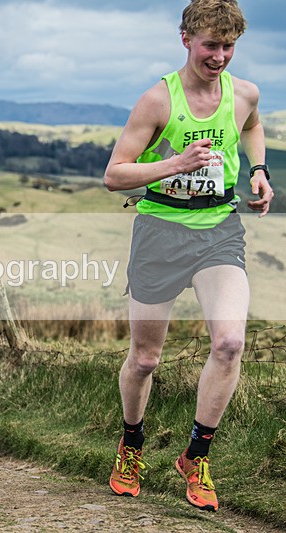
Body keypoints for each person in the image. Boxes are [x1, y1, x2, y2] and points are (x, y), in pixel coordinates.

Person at [104, 0, 273, 511]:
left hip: (219, 230)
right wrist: (174, 163)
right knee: (146, 359)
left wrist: (259, 171)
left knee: (229, 343)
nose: (219, 56)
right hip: (160, 233)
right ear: (186, 40)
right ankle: (131, 444)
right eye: (210, 46)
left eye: (228, 46)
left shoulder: (244, 94)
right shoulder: (158, 101)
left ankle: (196, 456)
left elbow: (251, 128)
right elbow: (114, 175)